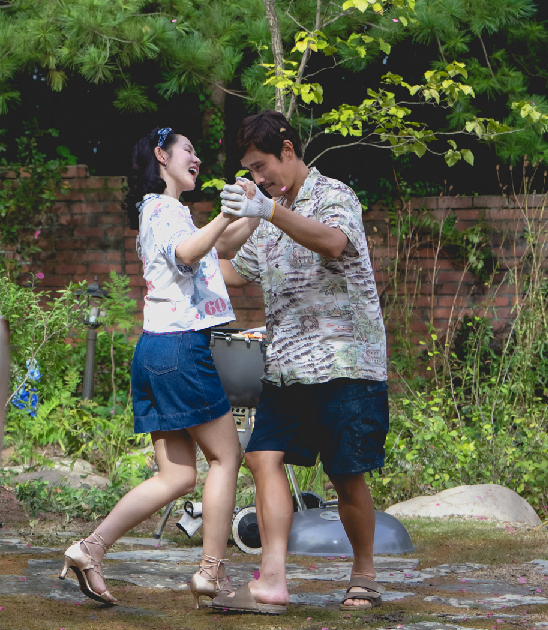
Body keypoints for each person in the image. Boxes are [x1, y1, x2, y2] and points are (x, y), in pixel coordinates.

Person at [59, 127, 249, 608]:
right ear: (161, 156)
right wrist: (229, 213)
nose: (197, 157)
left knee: (176, 477)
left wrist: (257, 210)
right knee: (226, 459)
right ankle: (211, 572)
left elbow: (221, 250)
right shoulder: (162, 209)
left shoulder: (171, 213)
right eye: (188, 150)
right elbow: (191, 253)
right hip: (182, 350)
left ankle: (90, 549)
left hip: (156, 351)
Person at [211, 110, 389, 614]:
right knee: (261, 457)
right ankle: (271, 579)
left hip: (343, 361)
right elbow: (232, 269)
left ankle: (365, 575)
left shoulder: (335, 195)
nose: (256, 178)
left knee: (345, 472)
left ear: (287, 150)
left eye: (261, 165)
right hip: (286, 364)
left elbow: (333, 242)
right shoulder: (265, 212)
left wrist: (268, 211)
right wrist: (186, 249)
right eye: (248, 170)